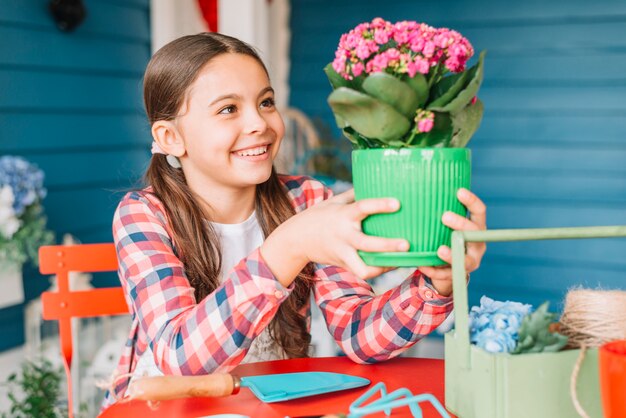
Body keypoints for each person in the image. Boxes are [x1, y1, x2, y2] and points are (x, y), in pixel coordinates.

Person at [103, 32, 487, 408]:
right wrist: (289, 246)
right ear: (170, 137)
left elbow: (360, 335)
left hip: (272, 402)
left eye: (266, 102)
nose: (260, 123)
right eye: (228, 109)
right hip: (165, 404)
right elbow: (181, 360)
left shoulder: (306, 200)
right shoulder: (144, 215)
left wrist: (434, 285)